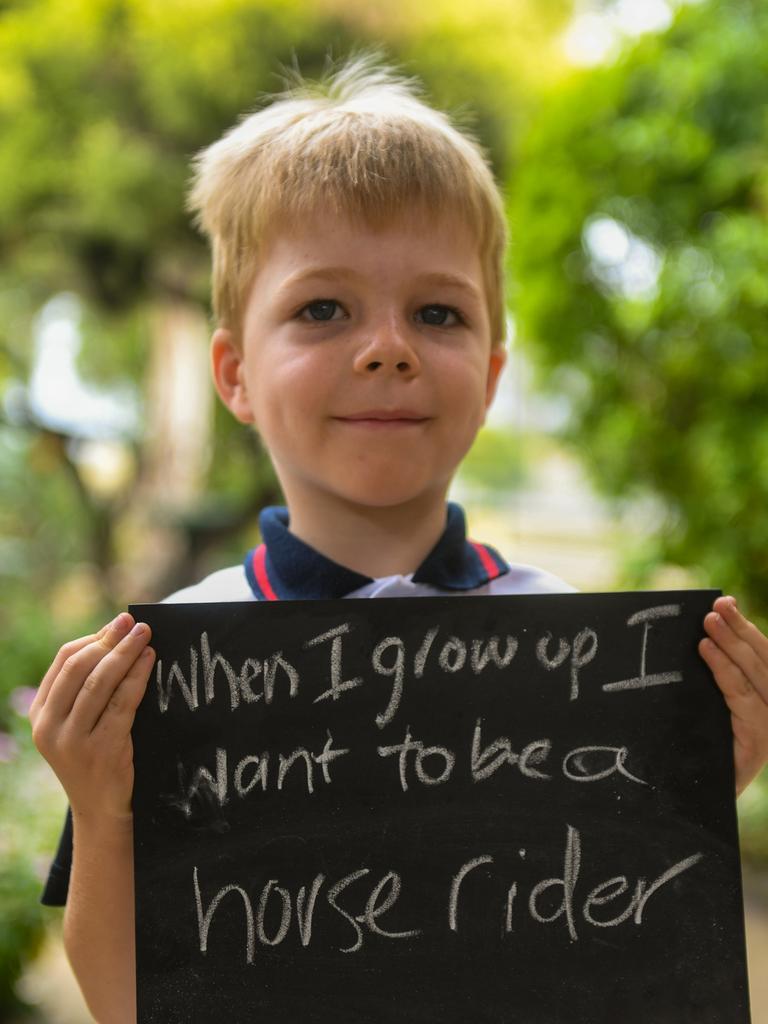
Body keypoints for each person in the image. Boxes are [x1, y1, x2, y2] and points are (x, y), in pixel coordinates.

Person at [29, 53, 768, 1024]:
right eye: (322, 308)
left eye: (437, 311)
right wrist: (102, 811)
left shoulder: (595, 667)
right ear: (235, 372)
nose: (389, 346)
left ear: (493, 373)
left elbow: (628, 966)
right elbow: (130, 1002)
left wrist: (691, 794)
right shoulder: (171, 663)